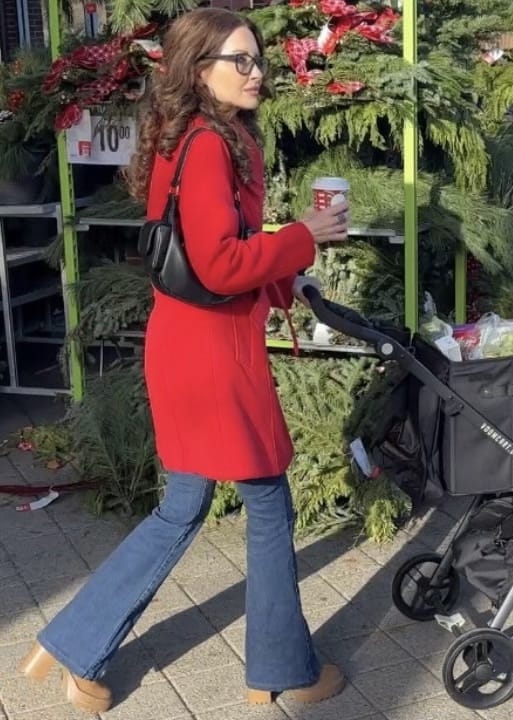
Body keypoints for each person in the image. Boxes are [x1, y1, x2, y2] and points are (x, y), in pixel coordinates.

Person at [18, 8, 349, 713]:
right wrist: (303, 236)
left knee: (183, 505)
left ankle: (73, 645)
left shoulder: (188, 136)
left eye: (259, 60)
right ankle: (281, 670)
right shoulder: (209, 145)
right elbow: (220, 262)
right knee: (266, 502)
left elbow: (210, 254)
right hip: (215, 354)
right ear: (199, 70)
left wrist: (287, 267)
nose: (257, 73)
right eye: (241, 61)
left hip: (188, 344)